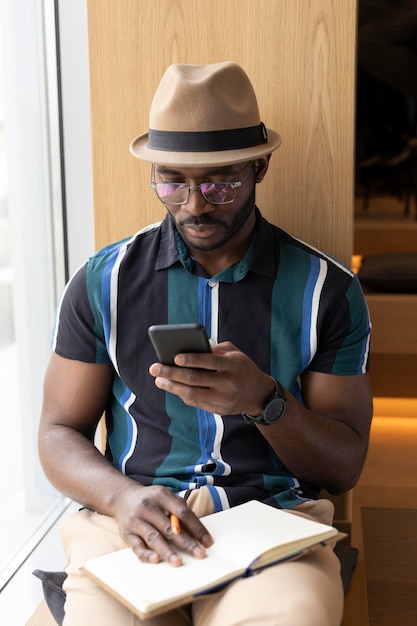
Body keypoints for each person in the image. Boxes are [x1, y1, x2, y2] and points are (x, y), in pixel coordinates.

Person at [38, 62, 373, 626]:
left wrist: (266, 402)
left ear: (260, 166)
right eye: (172, 181)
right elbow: (57, 432)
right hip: (133, 520)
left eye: (219, 182)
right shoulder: (103, 280)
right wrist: (120, 498)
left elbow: (344, 465)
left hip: (273, 526)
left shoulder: (327, 290)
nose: (194, 204)